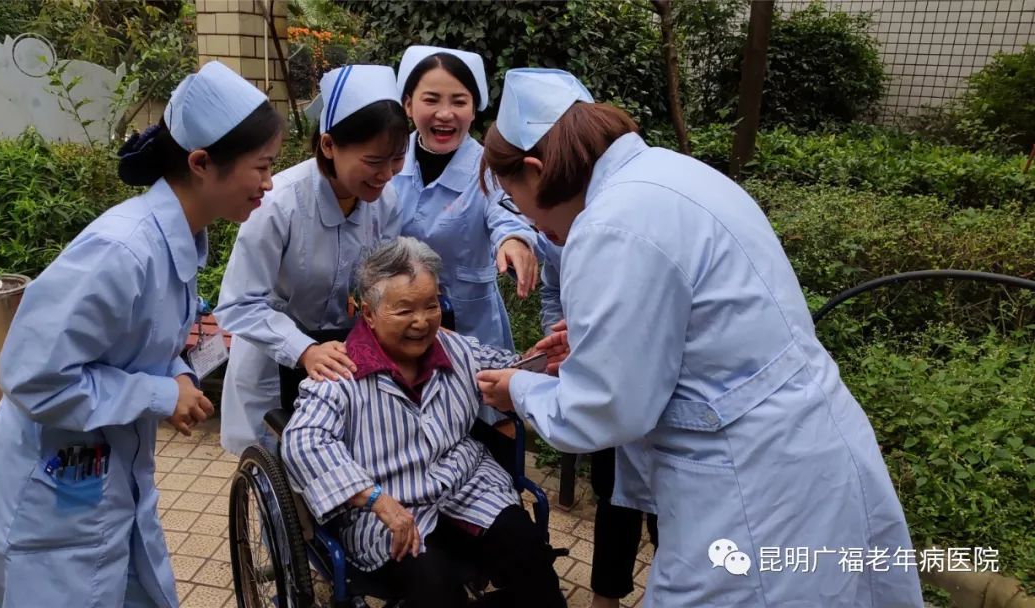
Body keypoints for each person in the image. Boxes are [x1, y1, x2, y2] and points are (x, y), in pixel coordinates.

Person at [475, 68, 924, 607]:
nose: (535, 226)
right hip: (810, 441)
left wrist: (518, 392)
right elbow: (703, 324)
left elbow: (605, 410)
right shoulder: (673, 171)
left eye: (516, 200)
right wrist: (602, 340)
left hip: (750, 482)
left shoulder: (609, 224)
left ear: (535, 169)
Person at [0, 61, 283, 607]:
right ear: (202, 163)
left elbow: (141, 345)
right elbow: (32, 378)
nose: (270, 184)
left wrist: (176, 375)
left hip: (101, 490)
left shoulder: (176, 241)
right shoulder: (122, 250)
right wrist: (159, 394)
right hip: (45, 508)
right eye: (263, 167)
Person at [281, 237, 565, 608]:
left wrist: (538, 361)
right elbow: (303, 441)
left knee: (531, 560)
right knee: (435, 590)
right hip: (390, 508)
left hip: (469, 488)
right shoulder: (341, 370)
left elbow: (505, 368)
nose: (422, 321)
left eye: (431, 306)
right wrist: (376, 501)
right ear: (369, 314)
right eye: (404, 311)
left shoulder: (454, 349)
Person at [216, 65, 408, 455]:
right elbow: (239, 304)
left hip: (339, 362)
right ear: (328, 146)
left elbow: (380, 280)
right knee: (277, 477)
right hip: (273, 361)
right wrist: (302, 350)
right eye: (374, 161)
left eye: (397, 160)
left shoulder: (384, 202)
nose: (387, 175)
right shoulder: (278, 204)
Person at [536, 234, 658, 608]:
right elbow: (551, 291)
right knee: (613, 492)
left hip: (658, 383)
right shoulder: (552, 235)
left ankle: (671, 590)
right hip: (602, 385)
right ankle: (605, 598)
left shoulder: (633, 230)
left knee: (667, 507)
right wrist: (560, 339)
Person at [393, 45, 538, 351]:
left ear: (473, 110)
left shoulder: (489, 168)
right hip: (395, 323)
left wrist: (515, 241)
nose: (445, 114)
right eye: (431, 100)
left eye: (459, 102)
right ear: (408, 105)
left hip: (471, 329)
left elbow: (508, 215)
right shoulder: (388, 162)